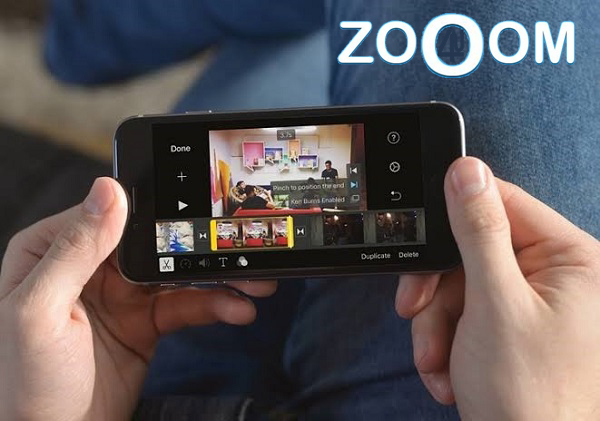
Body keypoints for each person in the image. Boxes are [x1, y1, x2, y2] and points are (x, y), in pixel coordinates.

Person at [9, 0, 599, 419]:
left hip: (154, 378)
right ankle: (79, 40)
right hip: (179, 363)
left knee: (307, 44)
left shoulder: (286, 189)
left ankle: (78, 40)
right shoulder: (263, 194)